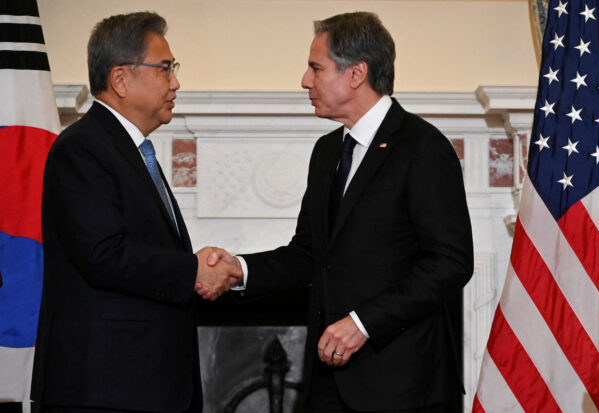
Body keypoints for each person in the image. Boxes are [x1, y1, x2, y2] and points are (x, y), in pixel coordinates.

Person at [198, 11, 473, 413]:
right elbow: (310, 255)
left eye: (315, 67)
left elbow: (450, 263)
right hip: (328, 384)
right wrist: (239, 269)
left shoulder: (422, 148)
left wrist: (362, 323)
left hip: (404, 387)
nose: (305, 81)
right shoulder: (328, 151)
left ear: (356, 74)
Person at [31, 12, 241, 413]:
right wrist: (192, 271)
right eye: (165, 68)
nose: (176, 82)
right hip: (108, 392)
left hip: (146, 388)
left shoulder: (133, 151)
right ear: (120, 79)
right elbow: (103, 254)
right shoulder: (83, 148)